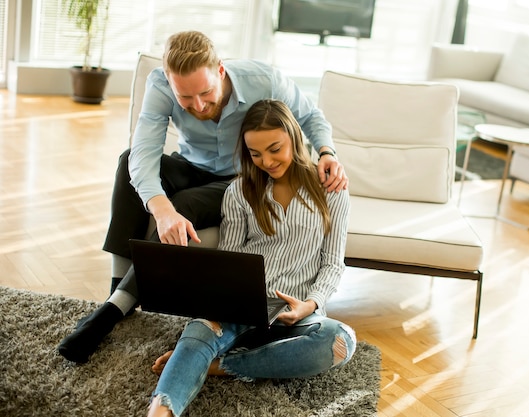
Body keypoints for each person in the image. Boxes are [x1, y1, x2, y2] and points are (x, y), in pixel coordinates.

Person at [57, 30, 348, 363]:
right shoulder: (160, 85)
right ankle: (117, 295)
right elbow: (143, 154)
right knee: (127, 163)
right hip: (190, 164)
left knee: (184, 206)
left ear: (220, 71)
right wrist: (161, 210)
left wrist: (327, 151)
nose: (198, 106)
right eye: (186, 98)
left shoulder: (265, 79)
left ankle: (111, 311)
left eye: (207, 92)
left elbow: (310, 116)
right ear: (169, 81)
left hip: (238, 179)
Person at [146, 99, 355, 417]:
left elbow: (332, 263)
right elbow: (228, 260)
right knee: (201, 328)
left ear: (294, 138)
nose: (267, 161)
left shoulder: (331, 189)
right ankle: (160, 411)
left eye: (275, 149)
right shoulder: (239, 192)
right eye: (255, 154)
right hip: (239, 306)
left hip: (296, 315)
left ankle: (219, 365)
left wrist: (309, 305)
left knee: (340, 341)